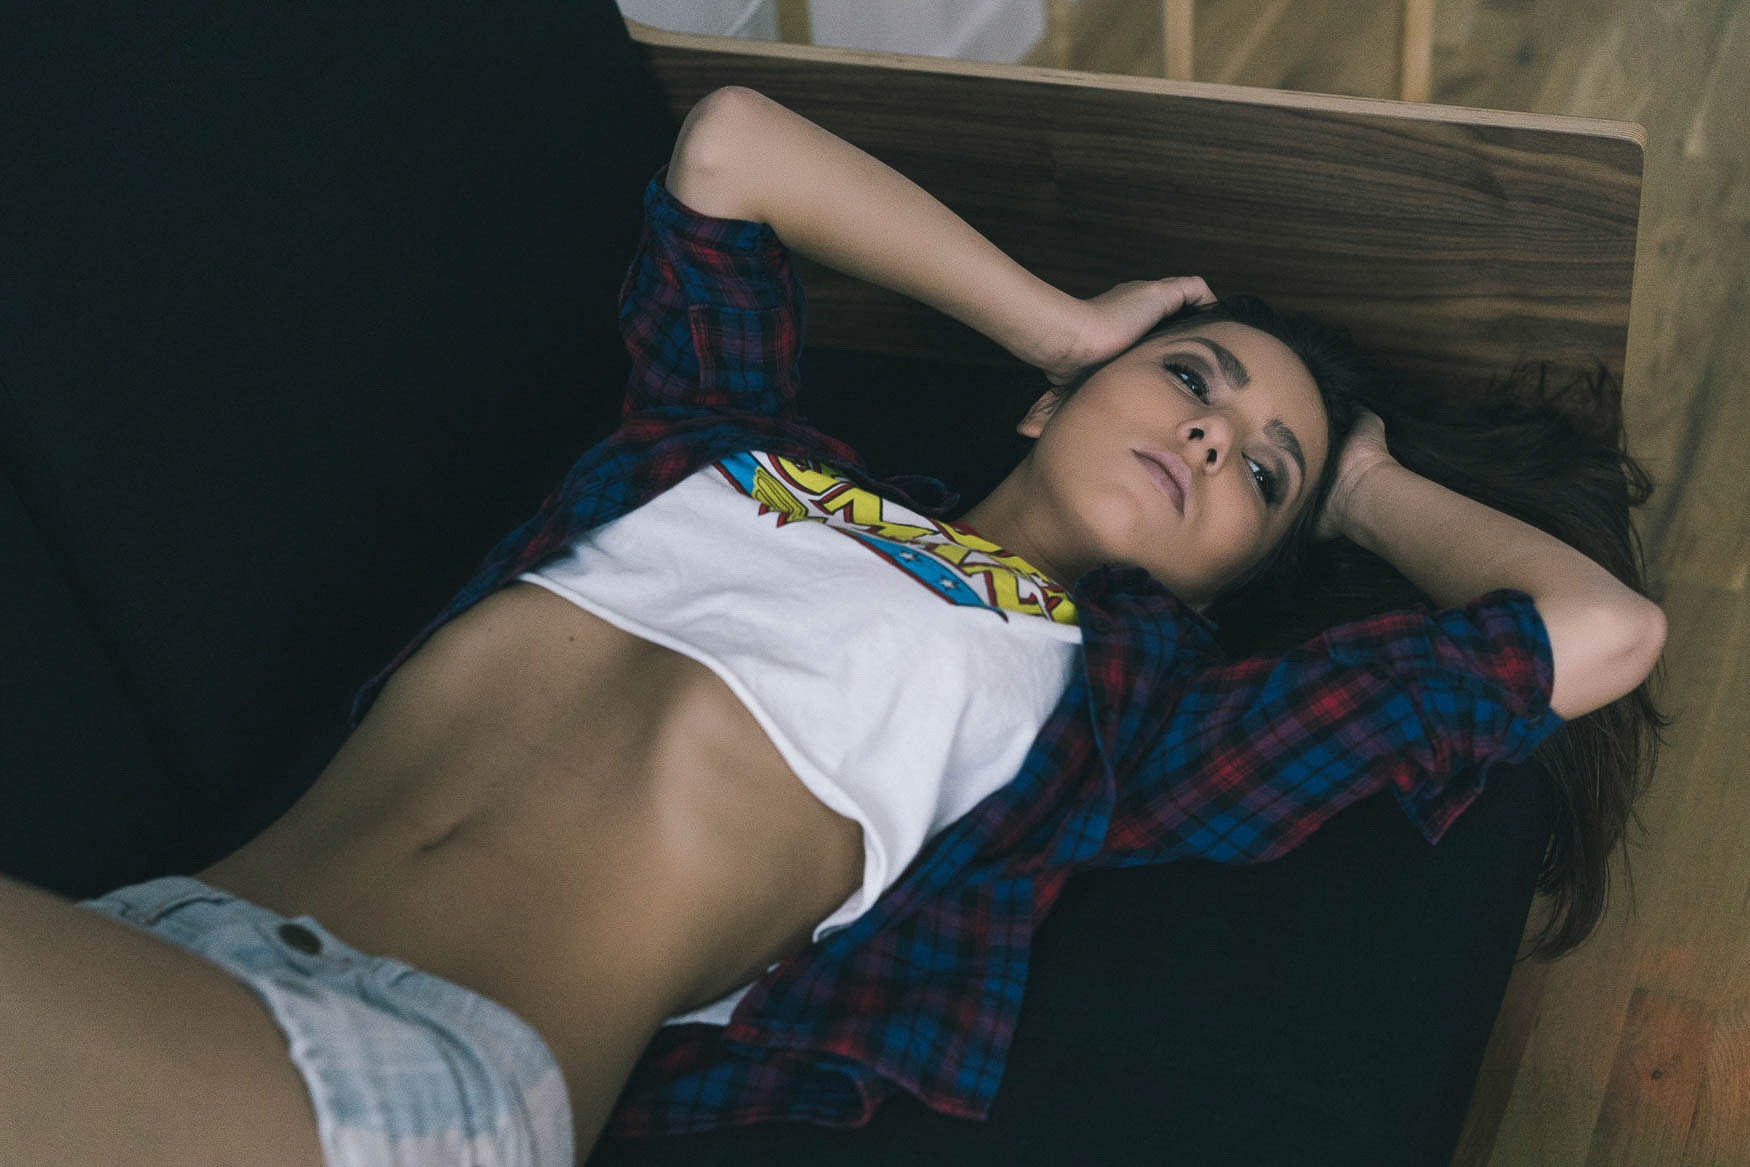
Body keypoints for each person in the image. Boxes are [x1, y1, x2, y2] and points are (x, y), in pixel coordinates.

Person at [0, 86, 1666, 1166]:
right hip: (174, 940)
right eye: (1192, 377)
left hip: (407, 1078)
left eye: (1259, 471)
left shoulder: (1120, 717)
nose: (1213, 434)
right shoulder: (724, 450)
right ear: (1051, 399)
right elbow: (729, 147)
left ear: (1226, 582)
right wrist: (1055, 318)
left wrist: (1358, 487)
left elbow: (1595, 630)